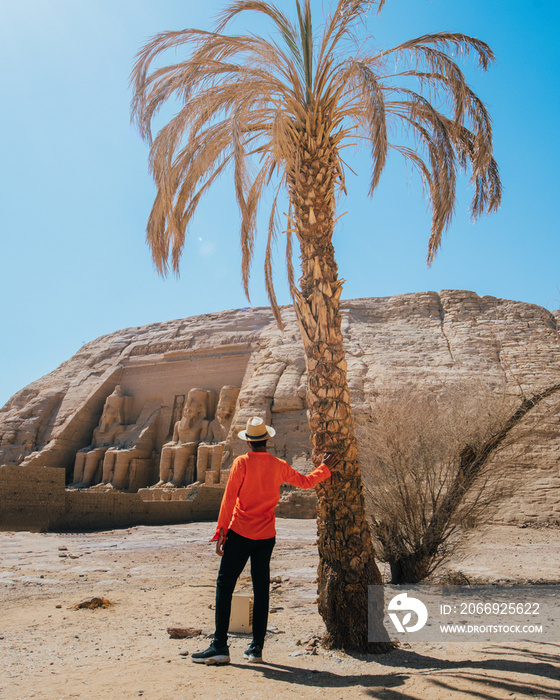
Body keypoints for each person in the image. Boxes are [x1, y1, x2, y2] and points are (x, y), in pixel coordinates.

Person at [192, 416, 338, 666]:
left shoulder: (241, 463)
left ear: (248, 442)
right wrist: (323, 469)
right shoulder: (278, 464)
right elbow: (305, 482)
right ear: (267, 440)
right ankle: (256, 648)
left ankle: (219, 645)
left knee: (225, 585)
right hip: (265, 536)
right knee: (261, 589)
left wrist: (221, 532)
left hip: (239, 533)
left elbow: (229, 499)